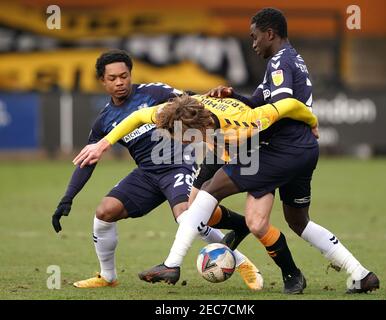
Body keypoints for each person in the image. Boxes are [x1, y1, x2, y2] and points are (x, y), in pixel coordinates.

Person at [137, 8, 380, 294]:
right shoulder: (291, 60)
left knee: (211, 189)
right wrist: (234, 97)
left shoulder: (279, 63)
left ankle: (172, 263)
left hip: (281, 150)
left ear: (270, 34)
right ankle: (360, 274)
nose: (253, 44)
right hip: (303, 151)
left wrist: (306, 121)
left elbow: (281, 108)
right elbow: (261, 104)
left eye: (254, 38)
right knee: (296, 221)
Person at [52, 49, 264, 290]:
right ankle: (108, 276)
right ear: (102, 80)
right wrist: (67, 198)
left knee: (186, 216)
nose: (120, 82)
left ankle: (242, 262)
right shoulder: (104, 120)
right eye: (113, 78)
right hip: (147, 173)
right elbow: (89, 158)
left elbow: (193, 103)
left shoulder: (154, 92)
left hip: (178, 164)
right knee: (104, 212)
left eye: (124, 75)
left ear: (131, 74)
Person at [72, 93, 319, 294]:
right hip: (218, 151)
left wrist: (312, 122)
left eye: (182, 136)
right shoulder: (174, 114)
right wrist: (103, 144)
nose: (180, 141)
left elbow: (289, 104)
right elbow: (137, 116)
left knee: (257, 222)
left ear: (198, 126)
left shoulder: (244, 121)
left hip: (253, 155)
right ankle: (237, 227)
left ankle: (291, 274)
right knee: (195, 213)